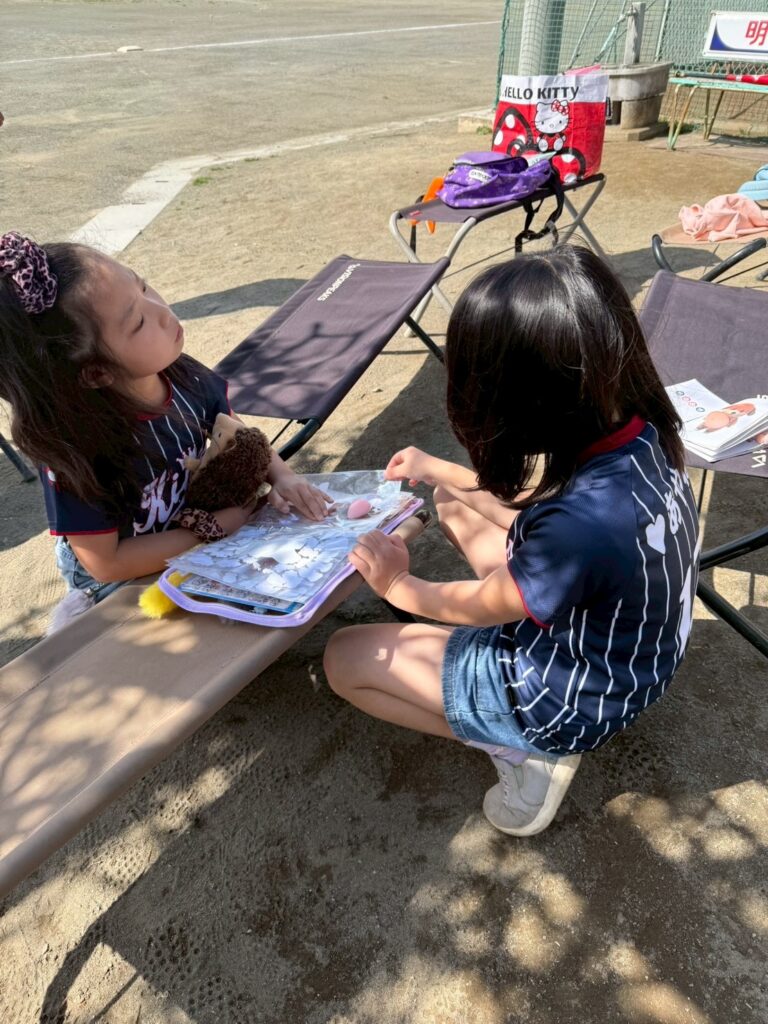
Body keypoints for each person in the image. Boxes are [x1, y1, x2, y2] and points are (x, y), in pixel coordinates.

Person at [324, 245, 700, 837]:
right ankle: (510, 721)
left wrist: (397, 583)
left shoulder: (579, 528)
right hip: (631, 657)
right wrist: (438, 470)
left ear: (521, 403)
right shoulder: (642, 432)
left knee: (343, 658)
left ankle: (523, 751)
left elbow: (482, 605)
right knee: (454, 500)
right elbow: (536, 510)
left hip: (569, 699)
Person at [0, 231, 332, 625]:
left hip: (188, 528)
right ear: (96, 372)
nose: (162, 311)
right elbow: (105, 564)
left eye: (143, 286)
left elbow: (237, 437)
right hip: (117, 582)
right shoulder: (78, 446)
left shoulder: (182, 374)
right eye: (138, 321)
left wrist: (283, 476)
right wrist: (212, 528)